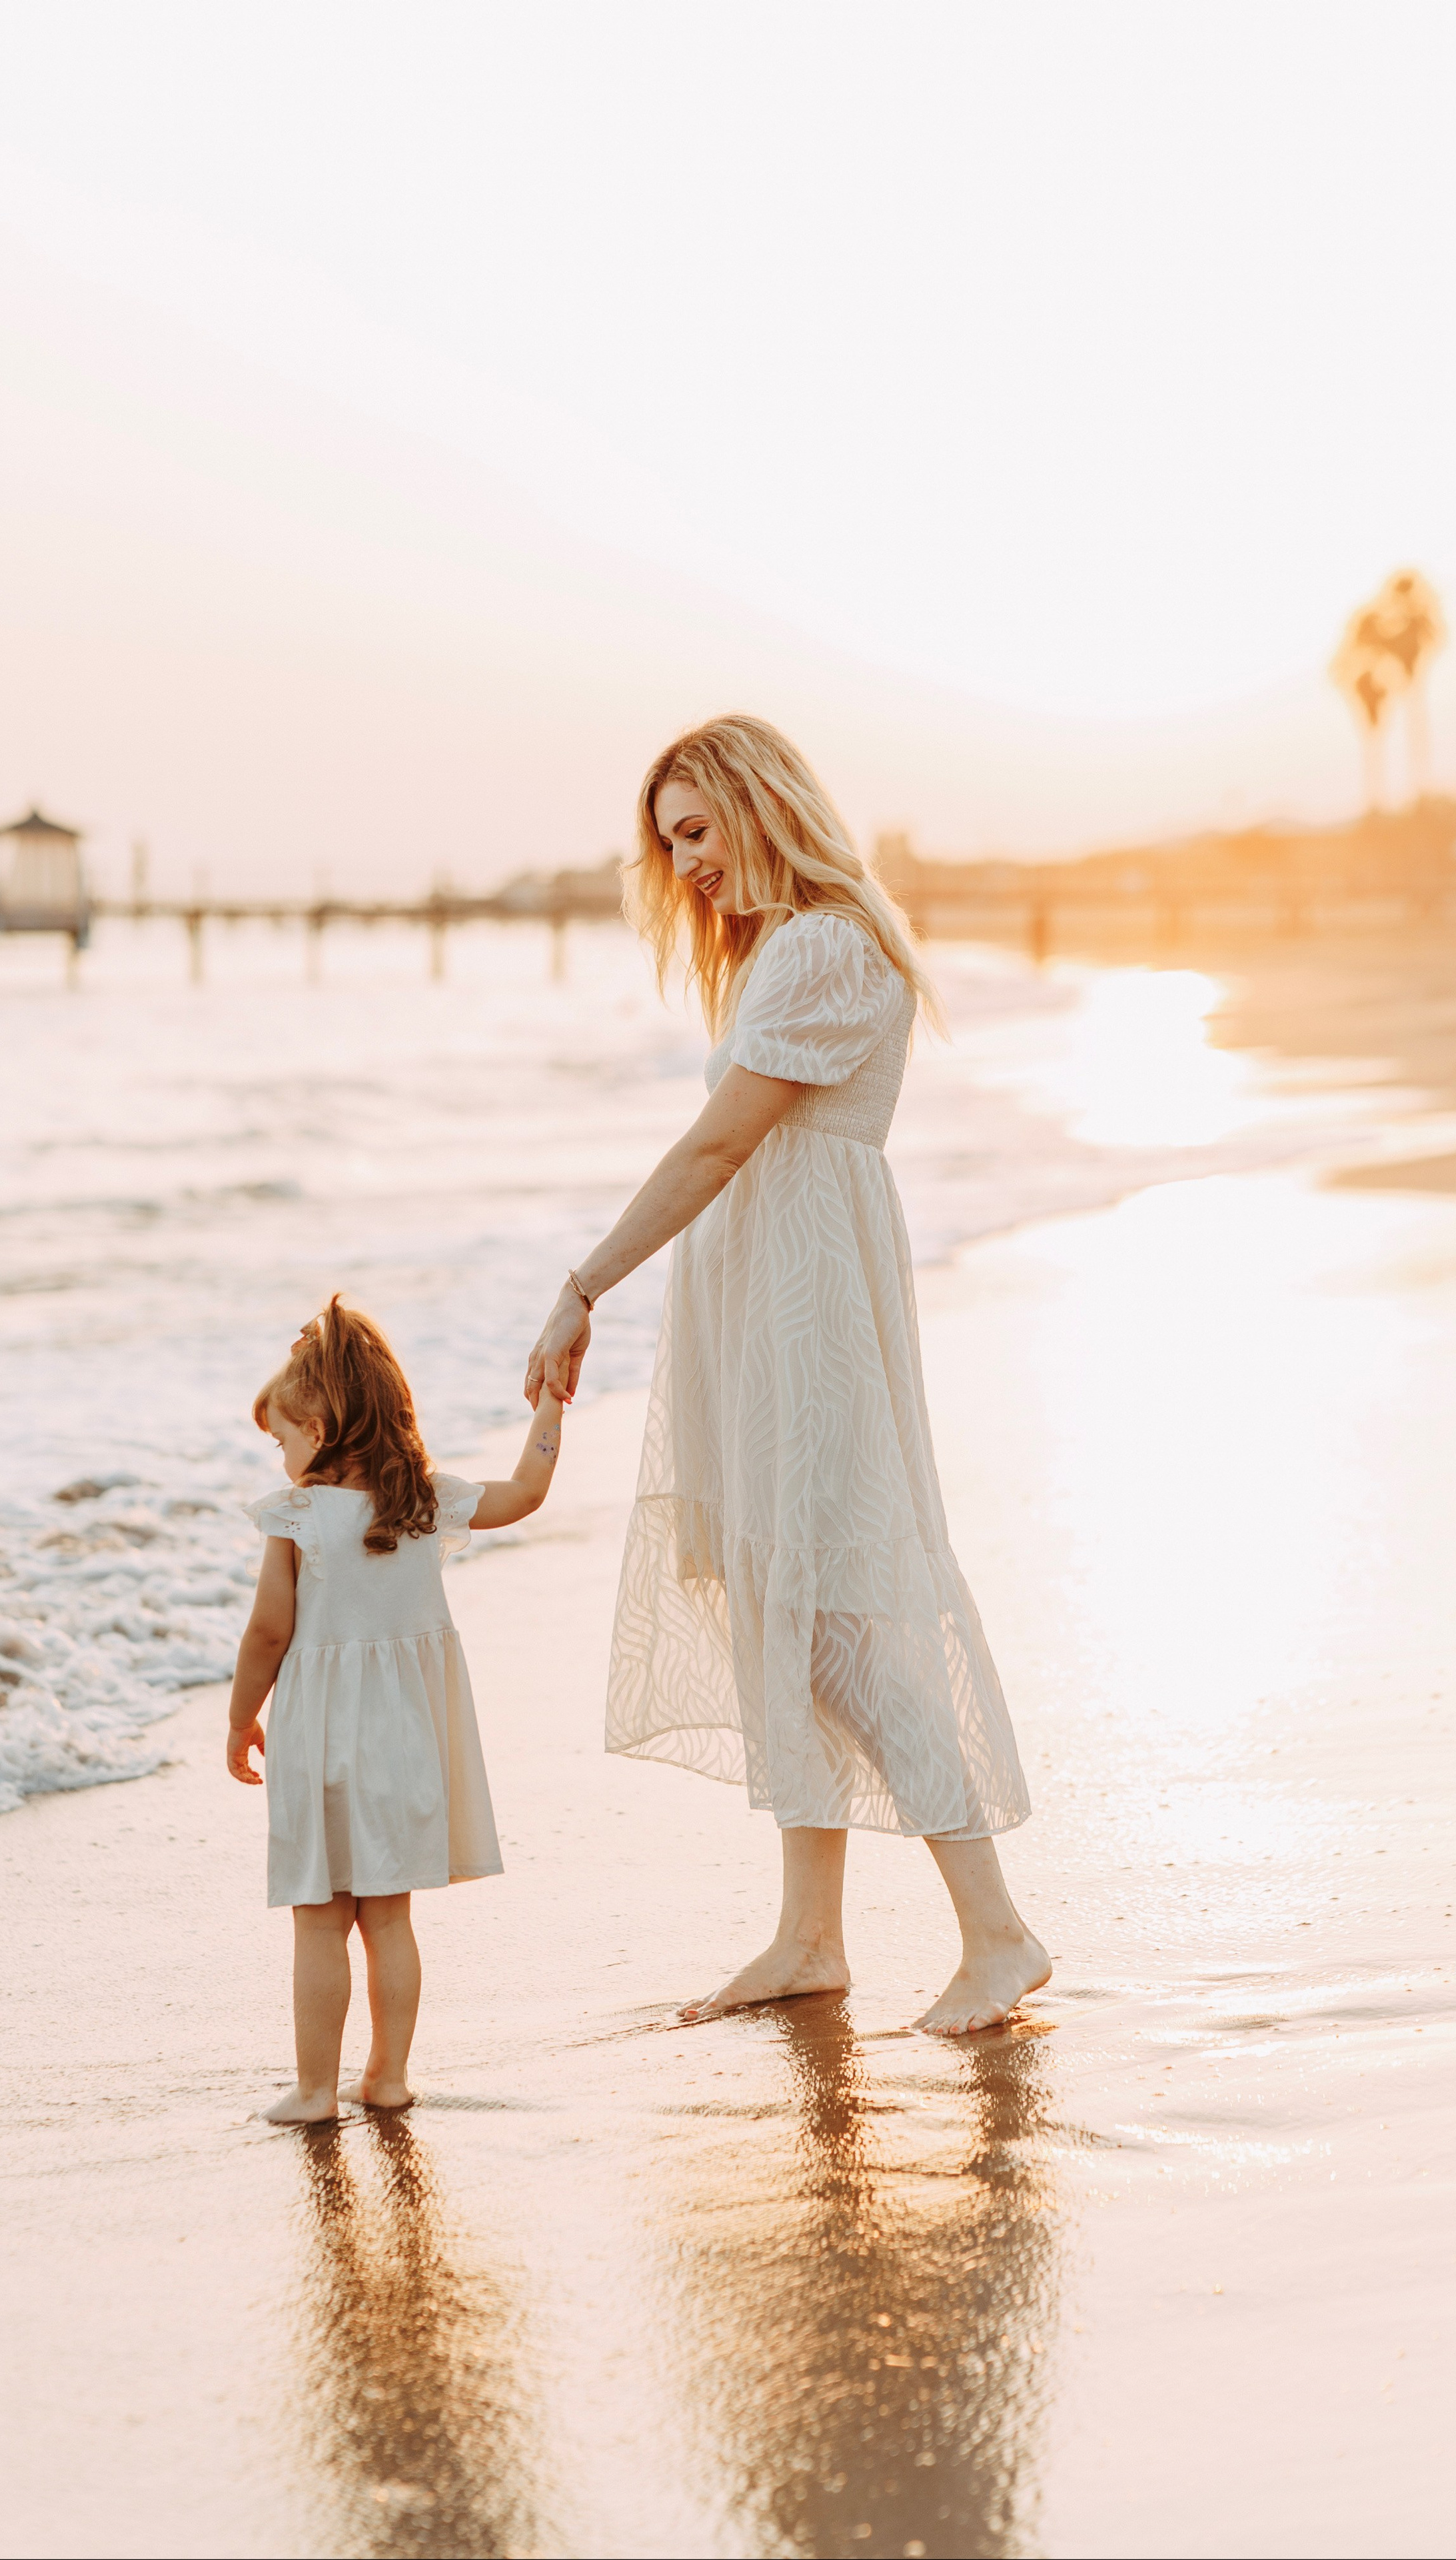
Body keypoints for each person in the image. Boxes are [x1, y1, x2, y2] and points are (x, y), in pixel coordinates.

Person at [524, 714, 1048, 2034]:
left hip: (803, 1304)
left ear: (761, 804)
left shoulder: (821, 945)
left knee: (831, 1617)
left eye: (696, 831)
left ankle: (995, 1931)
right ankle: (807, 1936)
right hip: (764, 1296)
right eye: (668, 845)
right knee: (783, 1597)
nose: (685, 865)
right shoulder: (780, 950)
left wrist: (582, 1283)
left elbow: (714, 1152)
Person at [228, 1294, 566, 2122]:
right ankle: (386, 2077)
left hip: (321, 1742)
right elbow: (525, 1491)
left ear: (323, 1423)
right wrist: (553, 1401)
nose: (280, 1461)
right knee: (387, 1918)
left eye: (283, 1440)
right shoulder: (423, 1500)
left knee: (318, 1920)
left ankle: (314, 2090)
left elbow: (270, 1631)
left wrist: (240, 1718)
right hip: (407, 1740)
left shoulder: (299, 1514)